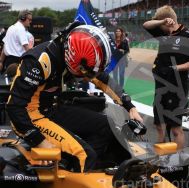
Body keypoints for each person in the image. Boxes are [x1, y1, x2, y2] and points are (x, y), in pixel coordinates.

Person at [6, 22, 143, 172]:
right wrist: (38, 140)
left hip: (53, 108)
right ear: (73, 60)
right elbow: (15, 107)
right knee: (83, 155)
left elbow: (102, 79)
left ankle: (84, 168)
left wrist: (129, 106)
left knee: (107, 126)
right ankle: (82, 177)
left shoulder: (75, 52)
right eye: (86, 72)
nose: (88, 77)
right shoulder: (38, 62)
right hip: (31, 117)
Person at [143, 5, 189, 150]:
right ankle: (160, 158)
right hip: (161, 86)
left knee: (176, 128)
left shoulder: (188, 36)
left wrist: (174, 68)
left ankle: (177, 161)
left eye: (161, 22)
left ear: (169, 20)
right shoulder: (163, 32)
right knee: (159, 125)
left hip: (178, 88)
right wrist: (160, 22)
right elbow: (146, 25)